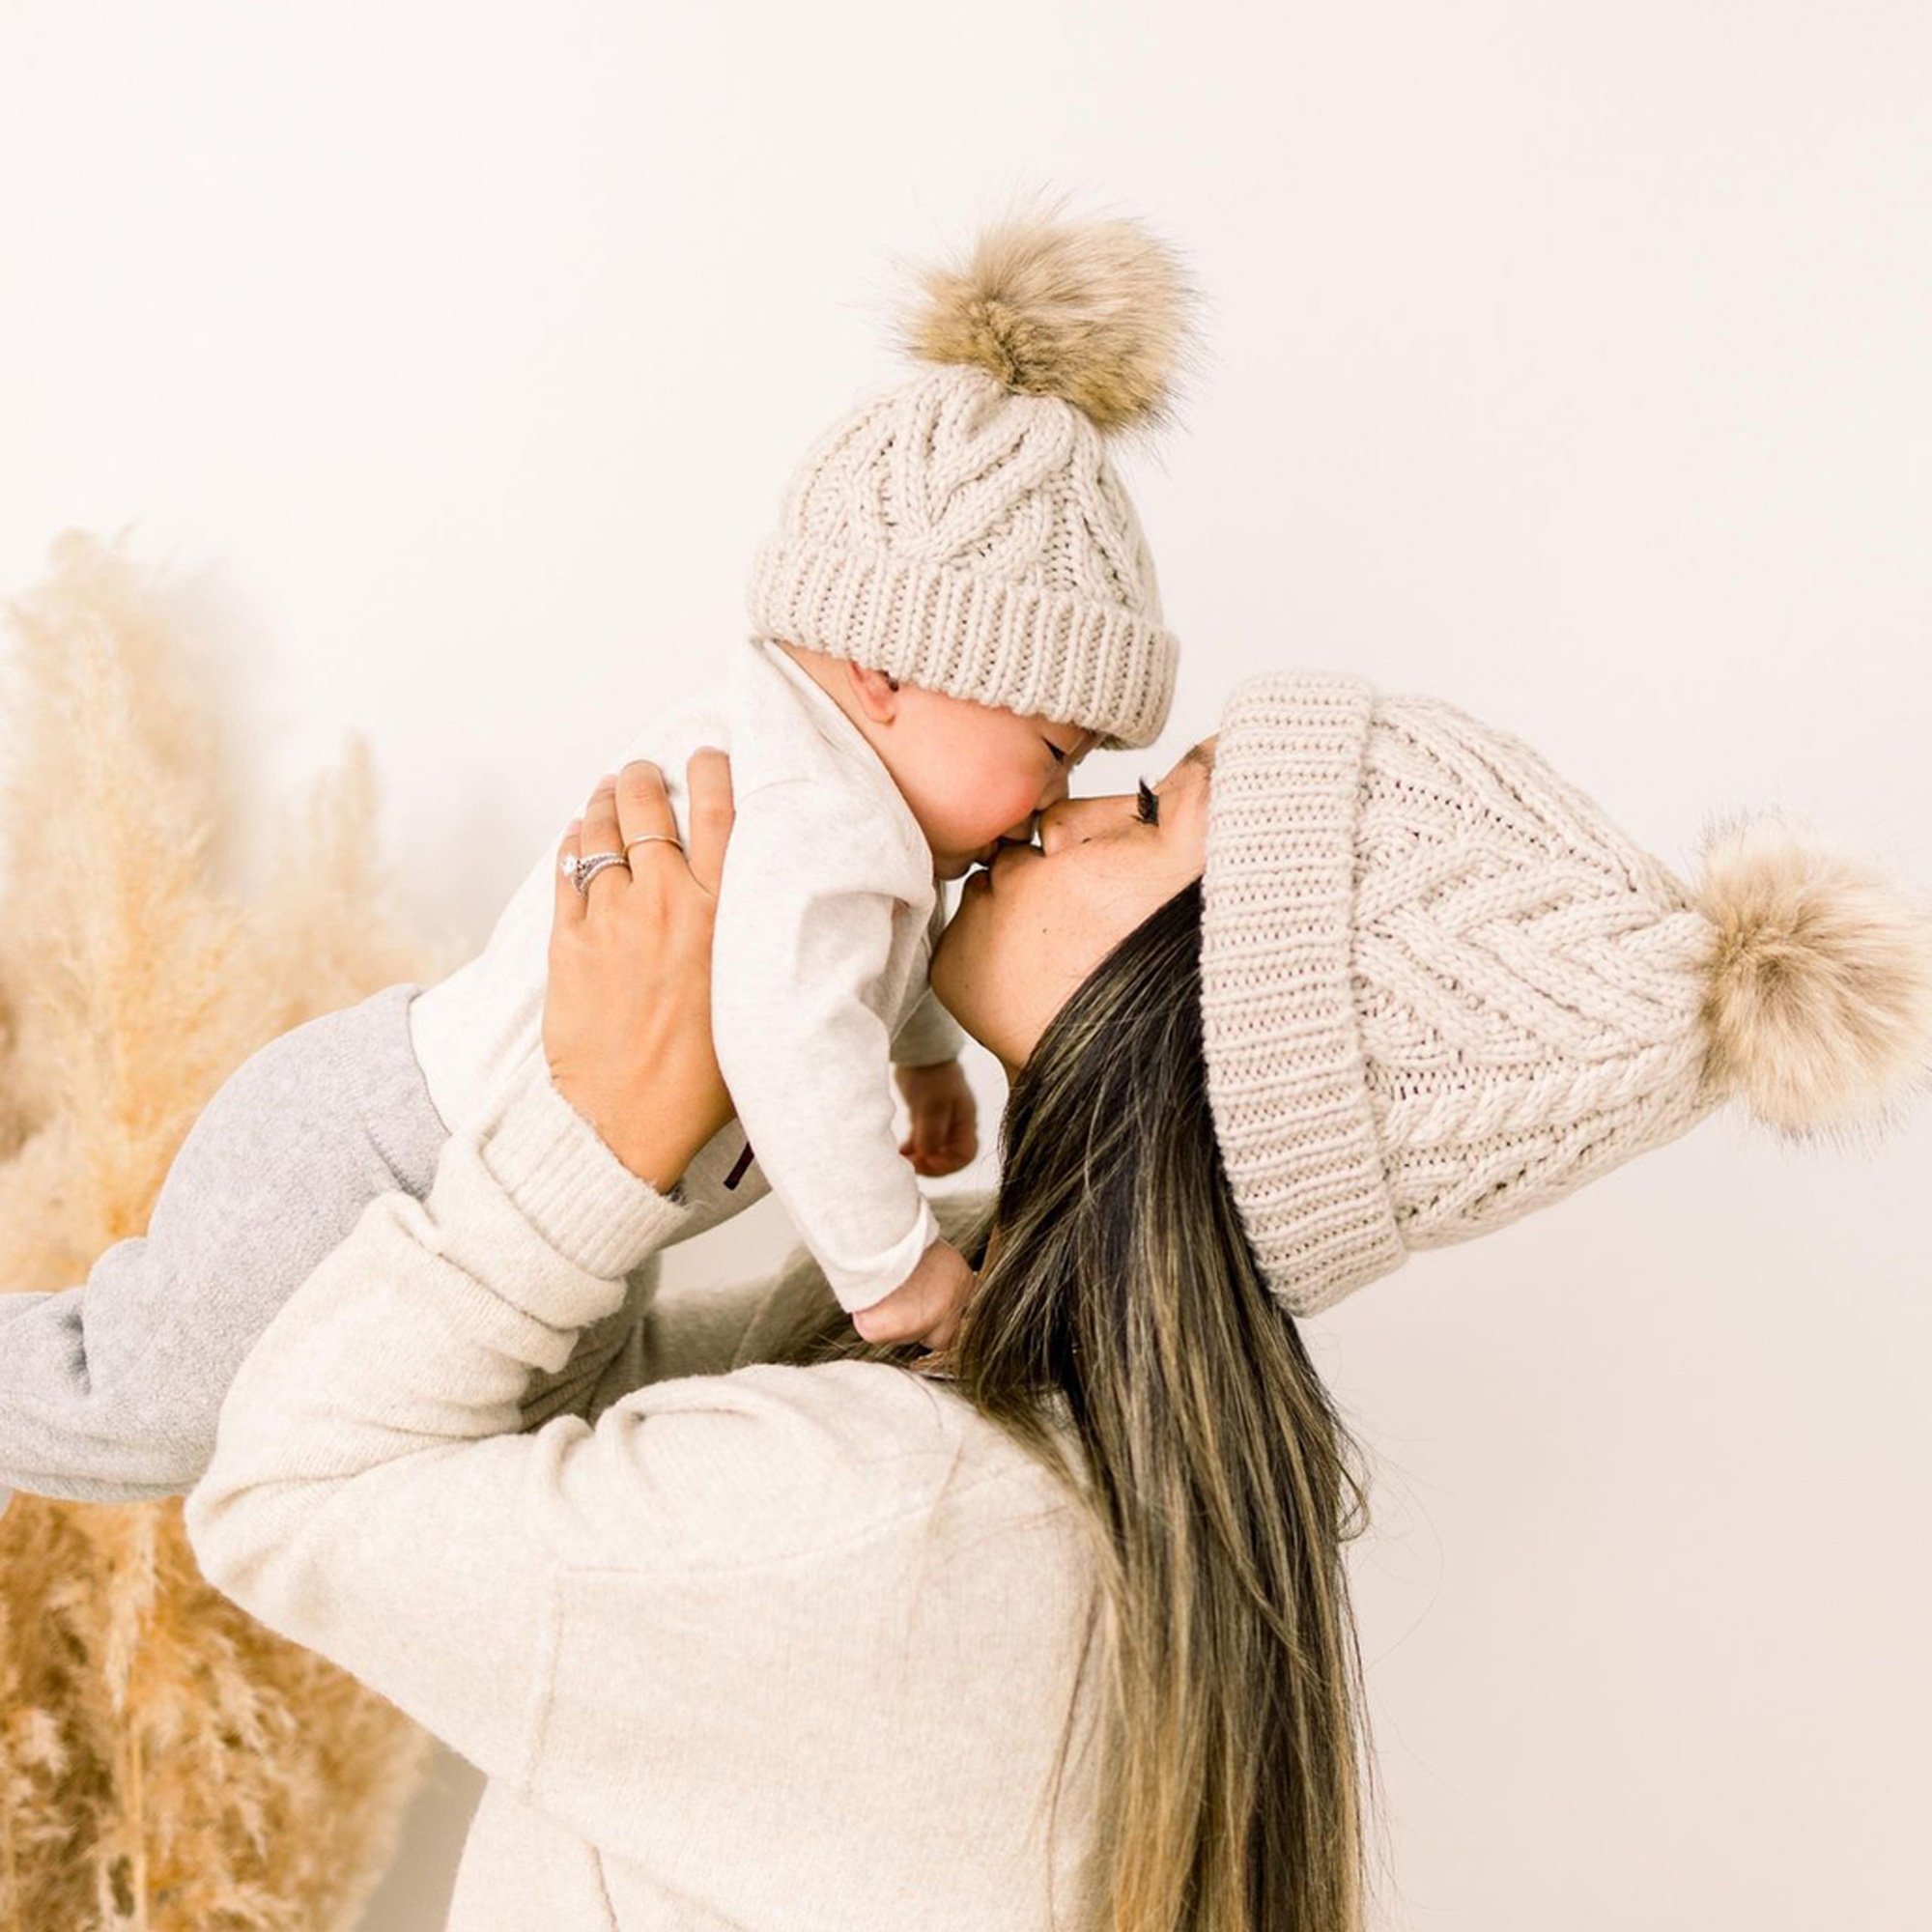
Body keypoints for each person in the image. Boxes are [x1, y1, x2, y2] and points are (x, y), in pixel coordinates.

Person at [186, 672, 1930, 1931]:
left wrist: (592, 1136)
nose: (1064, 802)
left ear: (1219, 1024)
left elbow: (291, 1494)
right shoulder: (1037, 1454)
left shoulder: (900, 1515)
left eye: (1154, 810)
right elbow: (575, 1445)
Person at [0, 207, 1191, 1521]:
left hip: (564, 1198)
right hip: (380, 1165)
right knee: (144, 1412)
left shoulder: (858, 817)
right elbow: (792, 1035)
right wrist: (897, 1272)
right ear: (890, 669)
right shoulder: (813, 817)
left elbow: (854, 959)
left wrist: (919, 1061)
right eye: (1053, 748)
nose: (1054, 803)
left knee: (531, 1446)